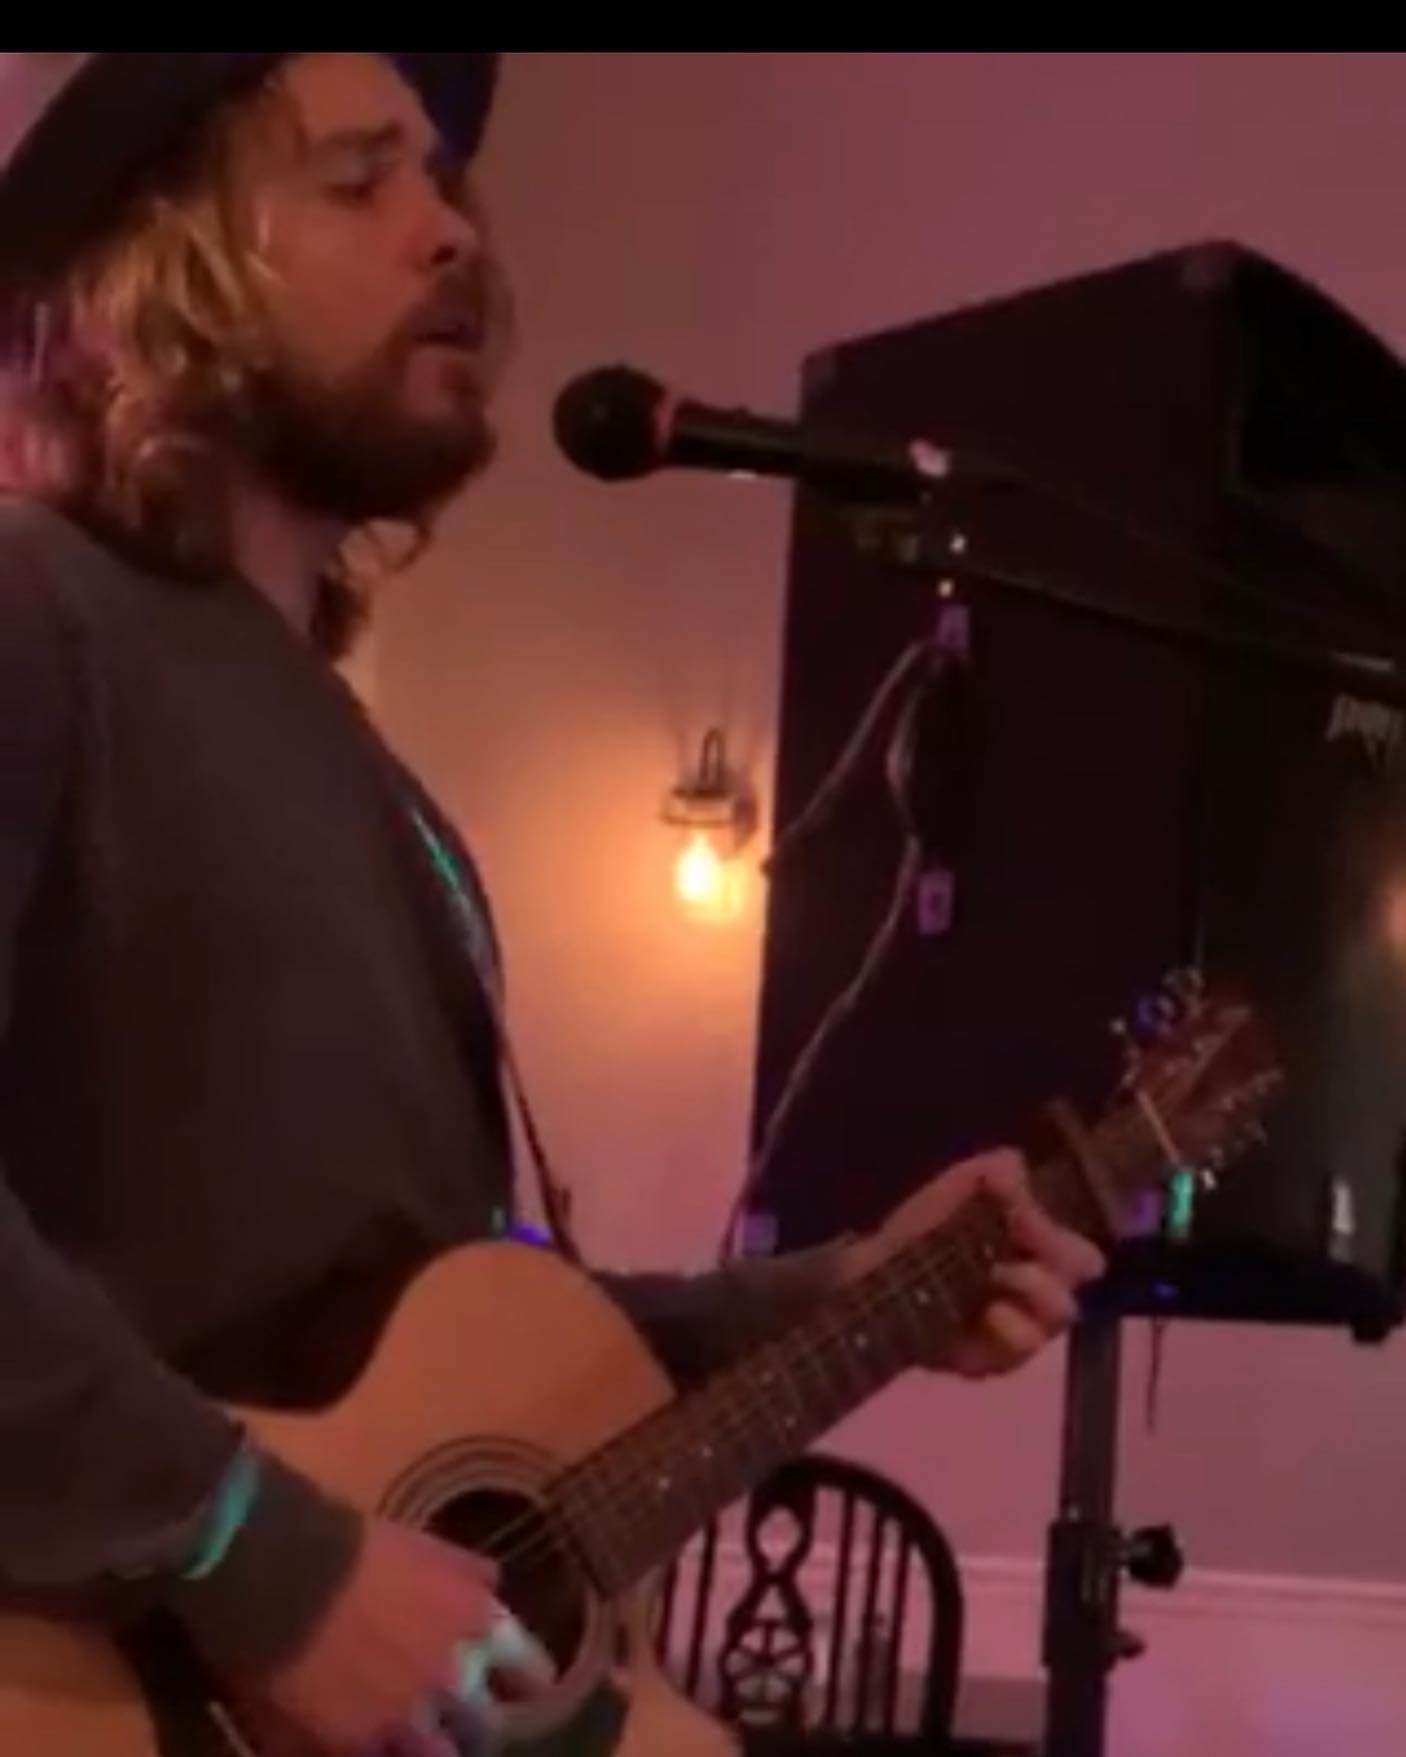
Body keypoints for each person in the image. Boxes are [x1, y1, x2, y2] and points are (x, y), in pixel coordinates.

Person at [0, 52, 1104, 1756]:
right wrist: (267, 1562)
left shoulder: (387, 796)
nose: (452, 232)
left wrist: (841, 1294)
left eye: (443, 183)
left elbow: (435, 1361)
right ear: (170, 263)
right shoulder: (34, 609)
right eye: (360, 178)